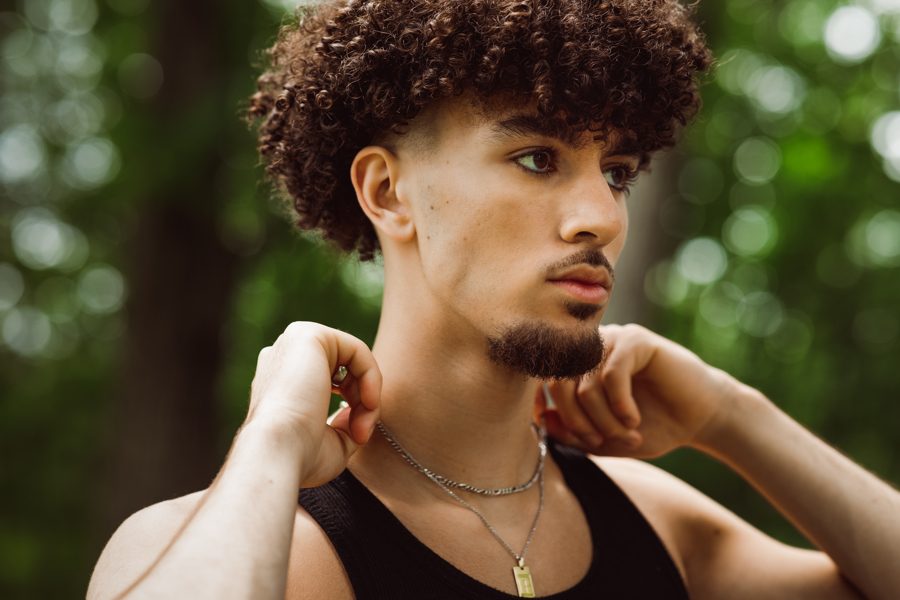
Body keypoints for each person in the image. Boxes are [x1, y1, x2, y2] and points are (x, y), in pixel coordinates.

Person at [88, 1, 900, 598]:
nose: (602, 217)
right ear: (388, 191)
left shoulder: (655, 526)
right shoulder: (231, 544)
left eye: (617, 172)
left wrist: (732, 416)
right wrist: (273, 442)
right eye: (538, 158)